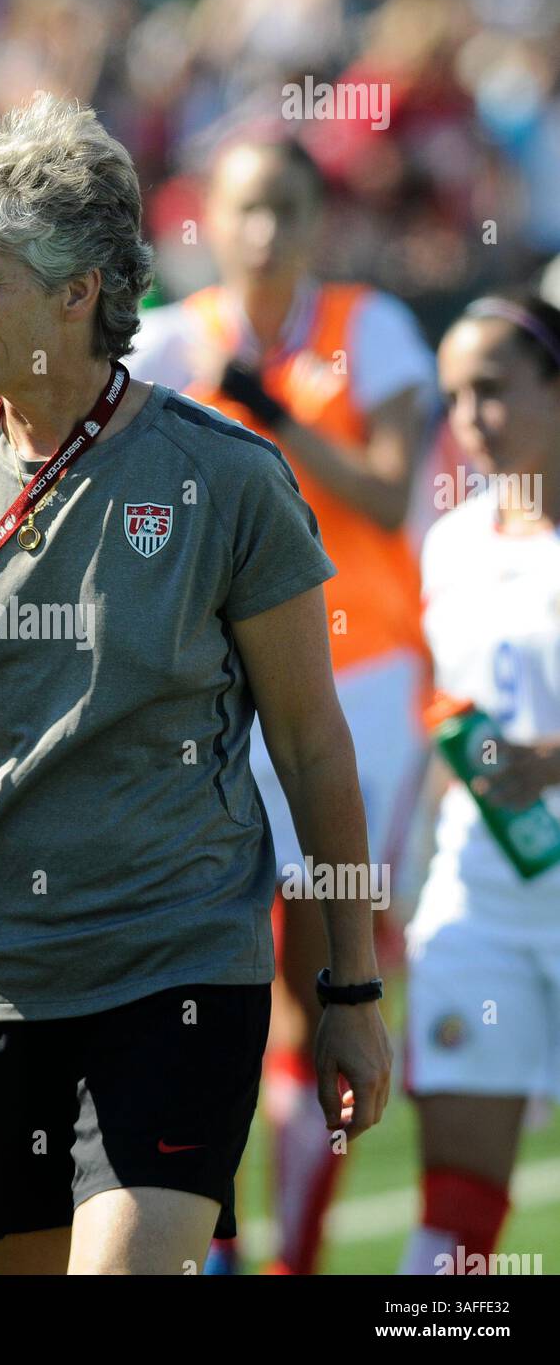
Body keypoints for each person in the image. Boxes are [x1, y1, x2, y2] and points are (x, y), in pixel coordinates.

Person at [0, 93, 392, 1277]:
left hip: (175, 969)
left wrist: (348, 982)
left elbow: (313, 747)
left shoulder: (227, 480)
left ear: (78, 291)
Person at [131, 134, 436, 1274]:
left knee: (319, 981)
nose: (266, 231)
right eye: (247, 207)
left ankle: (291, 1258)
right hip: (211, 688)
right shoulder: (168, 338)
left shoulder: (373, 326)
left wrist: (274, 414)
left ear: (316, 220)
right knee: (208, 982)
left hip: (351, 684)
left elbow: (386, 487)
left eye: (288, 208)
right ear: (209, 217)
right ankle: (213, 1242)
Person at [400, 293, 560, 1274]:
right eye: (454, 394)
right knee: (455, 1206)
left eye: (493, 389)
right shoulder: (448, 542)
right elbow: (445, 712)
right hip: (480, 894)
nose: (469, 417)